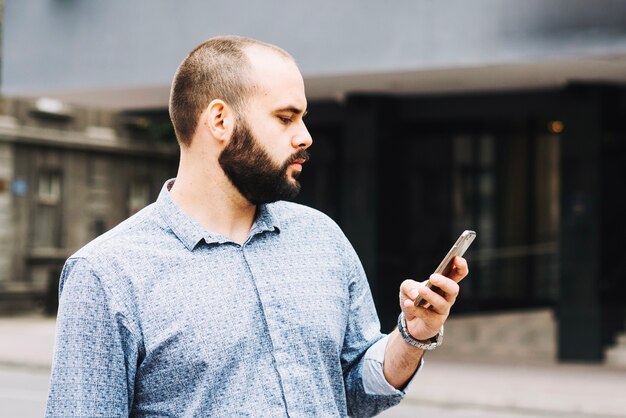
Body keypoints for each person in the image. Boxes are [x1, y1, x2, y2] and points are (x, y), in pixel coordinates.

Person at [46, 35, 468, 417]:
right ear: (219, 121)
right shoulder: (106, 273)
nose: (305, 136)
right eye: (286, 118)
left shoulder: (322, 238)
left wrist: (413, 334)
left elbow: (355, 391)